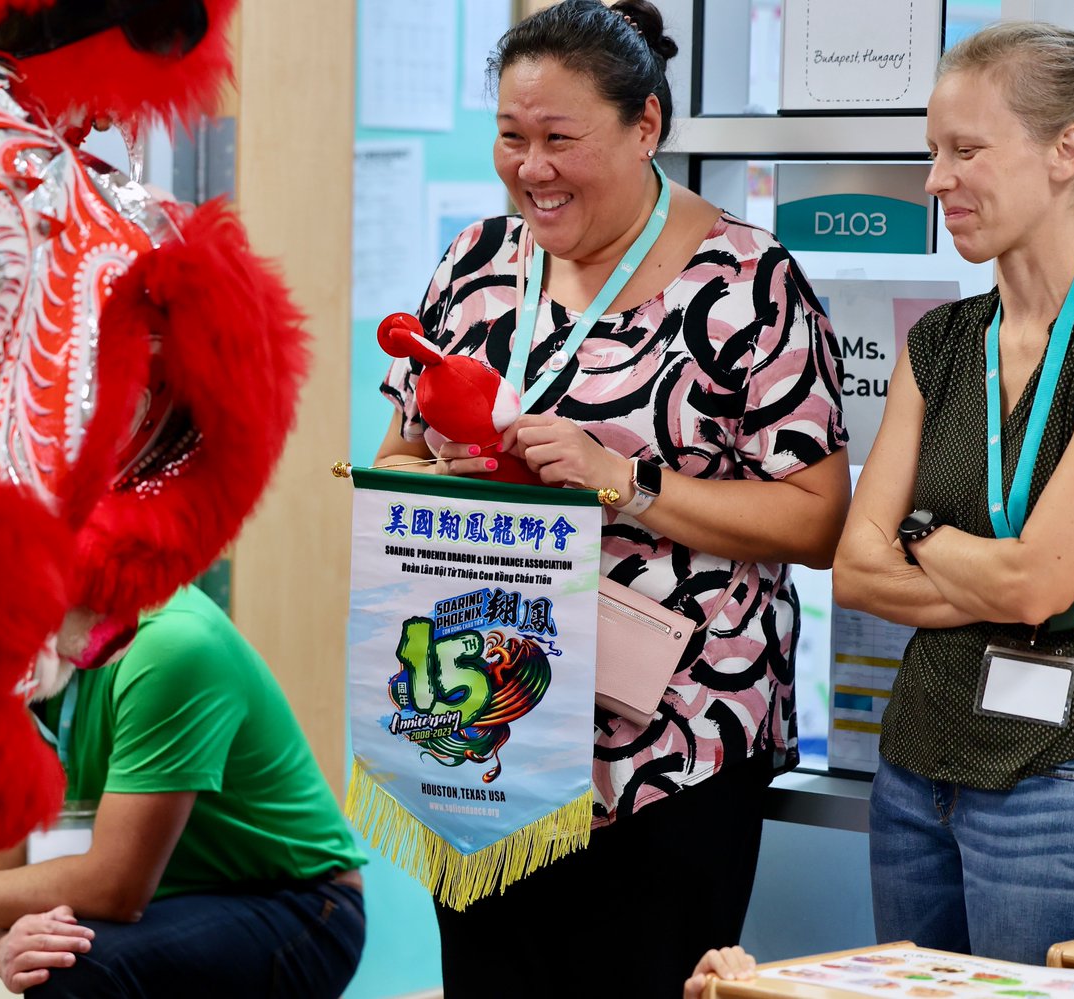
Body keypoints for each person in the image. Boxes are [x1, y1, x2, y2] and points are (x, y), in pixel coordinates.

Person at [377, 1, 850, 993]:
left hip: (672, 745)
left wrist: (627, 484)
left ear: (646, 126)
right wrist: (455, 481)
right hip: (486, 729)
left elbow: (816, 518)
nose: (531, 168)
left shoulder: (747, 283)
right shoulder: (474, 265)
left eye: (560, 139)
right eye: (511, 137)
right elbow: (399, 461)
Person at [833, 21, 1074, 964]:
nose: (935, 180)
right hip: (914, 771)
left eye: (966, 151)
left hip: (1065, 774)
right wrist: (1022, 579)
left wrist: (918, 533)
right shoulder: (943, 340)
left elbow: (1032, 581)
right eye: (934, 152)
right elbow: (853, 570)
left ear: (1065, 151)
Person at [0, 586, 367, 997]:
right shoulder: (15, 666)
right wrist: (1, 946)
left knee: (74, 964)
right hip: (161, 902)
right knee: (44, 951)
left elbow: (115, 889)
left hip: (301, 905)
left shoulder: (169, 642)